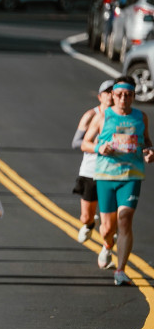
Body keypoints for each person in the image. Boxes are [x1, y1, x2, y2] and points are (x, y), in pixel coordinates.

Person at [82, 76, 154, 286]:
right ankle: (107, 245)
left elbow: (146, 141)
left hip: (131, 176)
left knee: (125, 218)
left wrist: (150, 151)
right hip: (106, 177)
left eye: (128, 95)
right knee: (107, 228)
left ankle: (120, 270)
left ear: (133, 96)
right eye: (120, 95)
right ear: (113, 96)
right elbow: (85, 143)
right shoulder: (102, 117)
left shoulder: (141, 117)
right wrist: (99, 148)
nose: (124, 99)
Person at [71, 79, 114, 246]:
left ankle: (107, 247)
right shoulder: (91, 116)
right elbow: (76, 143)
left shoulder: (123, 117)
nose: (111, 96)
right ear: (100, 96)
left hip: (113, 172)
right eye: (107, 92)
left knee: (111, 219)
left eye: (114, 92)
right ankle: (89, 224)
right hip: (91, 170)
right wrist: (98, 146)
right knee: (85, 216)